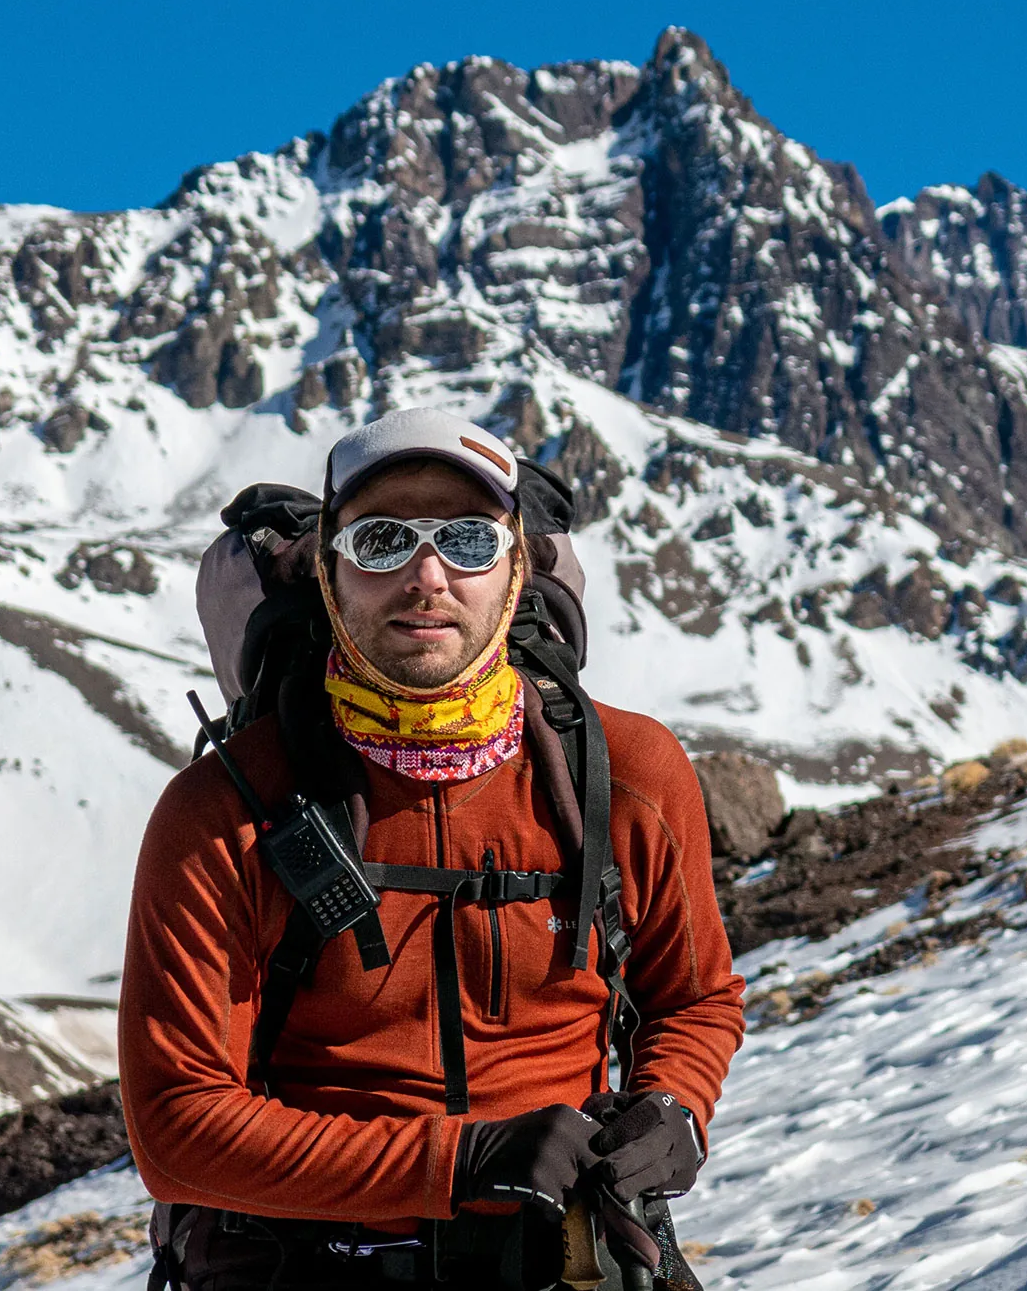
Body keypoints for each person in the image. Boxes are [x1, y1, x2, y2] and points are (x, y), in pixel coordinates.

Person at [120, 407, 746, 1289]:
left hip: (565, 1260)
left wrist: (675, 1104)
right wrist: (459, 1159)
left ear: (517, 565)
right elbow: (177, 1129)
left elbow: (694, 996)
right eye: (381, 540)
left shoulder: (627, 775)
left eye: (466, 539)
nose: (427, 575)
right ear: (332, 571)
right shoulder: (222, 814)